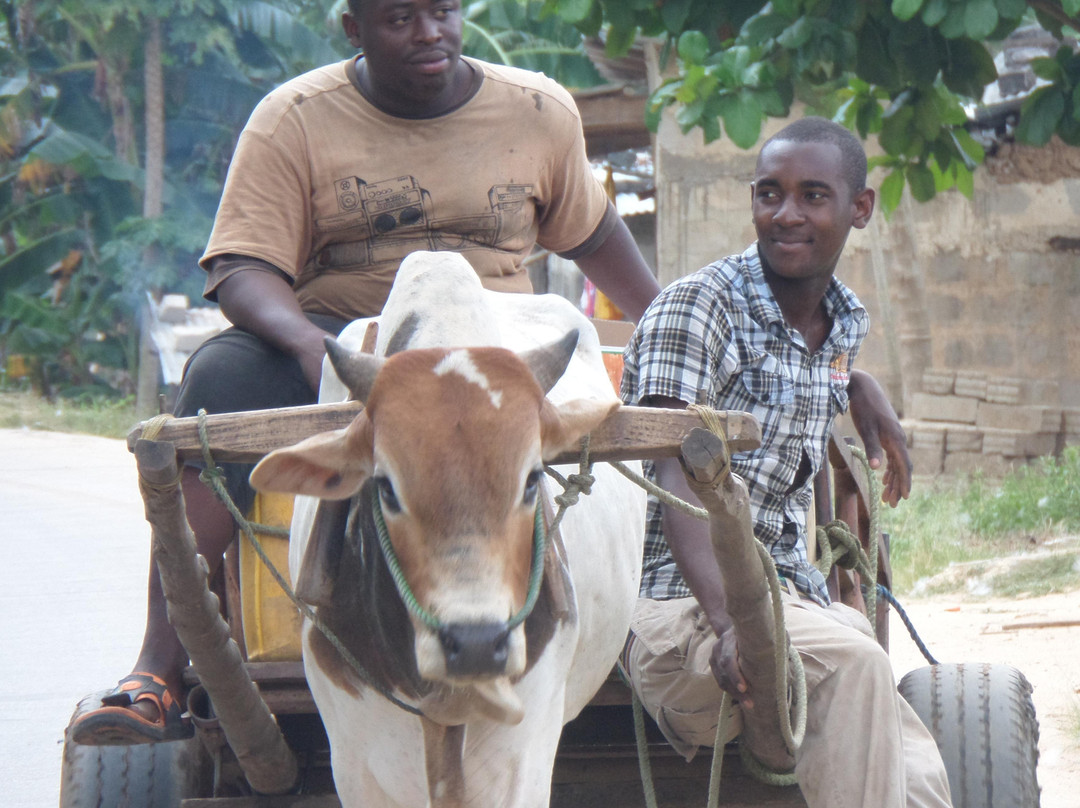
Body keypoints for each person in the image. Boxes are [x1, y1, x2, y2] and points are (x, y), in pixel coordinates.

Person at [68, 0, 660, 746]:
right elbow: (243, 267)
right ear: (354, 29)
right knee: (218, 377)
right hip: (346, 343)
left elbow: (596, 234)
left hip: (497, 355)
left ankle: (656, 619)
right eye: (400, 18)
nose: (429, 33)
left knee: (649, 392)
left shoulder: (539, 109)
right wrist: (314, 352)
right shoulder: (294, 119)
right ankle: (157, 663)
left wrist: (673, 327)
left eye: (443, 11)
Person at [619, 117, 953, 807]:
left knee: (921, 775)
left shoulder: (841, 322)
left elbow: (812, 373)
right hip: (680, 613)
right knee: (859, 662)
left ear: (858, 209)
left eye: (813, 196)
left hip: (791, 602)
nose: (786, 215)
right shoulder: (696, 306)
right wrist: (732, 625)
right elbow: (674, 473)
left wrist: (859, 385)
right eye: (770, 194)